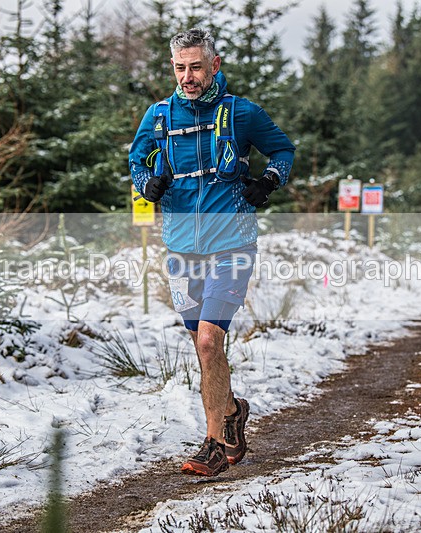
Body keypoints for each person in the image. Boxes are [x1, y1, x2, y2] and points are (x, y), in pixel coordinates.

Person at [129, 28, 295, 476]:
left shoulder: (242, 112)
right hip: (181, 249)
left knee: (208, 340)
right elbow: (136, 160)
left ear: (214, 65)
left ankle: (214, 445)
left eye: (196, 67)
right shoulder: (159, 116)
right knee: (205, 349)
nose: (188, 77)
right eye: (180, 68)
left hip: (232, 243)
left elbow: (282, 149)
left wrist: (269, 181)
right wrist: (147, 184)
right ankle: (233, 411)